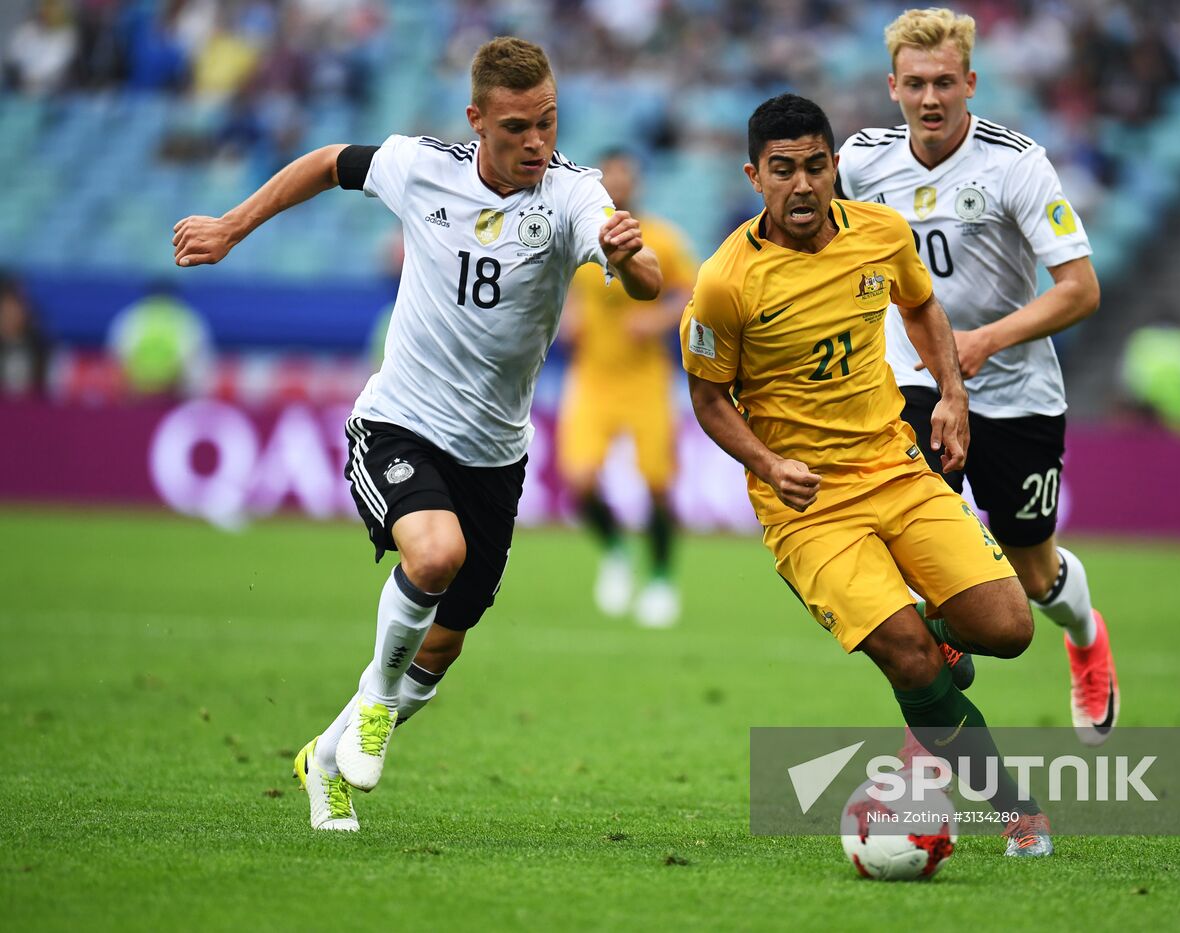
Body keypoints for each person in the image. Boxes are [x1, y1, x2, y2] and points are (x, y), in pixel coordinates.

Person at [172, 36, 661, 833]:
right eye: (515, 128)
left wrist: (626, 257)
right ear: (477, 121)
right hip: (398, 420)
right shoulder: (420, 166)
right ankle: (372, 702)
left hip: (496, 452)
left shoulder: (575, 194)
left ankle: (324, 757)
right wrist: (232, 226)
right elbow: (330, 160)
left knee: (440, 650)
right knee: (434, 555)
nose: (536, 142)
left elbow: (644, 283)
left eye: (547, 122)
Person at [682, 93, 1052, 856]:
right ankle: (1015, 811)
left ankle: (938, 642)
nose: (803, 185)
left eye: (816, 166)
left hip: (897, 467)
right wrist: (767, 461)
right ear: (756, 176)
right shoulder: (726, 281)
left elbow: (922, 308)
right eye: (783, 170)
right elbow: (709, 398)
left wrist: (952, 395)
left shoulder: (880, 232)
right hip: (811, 509)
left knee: (1008, 627)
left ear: (833, 166)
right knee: (908, 655)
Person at [835, 8, 1118, 746]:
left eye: (945, 84)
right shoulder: (861, 161)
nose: (931, 99)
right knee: (921, 539)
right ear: (892, 86)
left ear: (971, 83)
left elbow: (1080, 288)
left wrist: (987, 339)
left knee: (1031, 571)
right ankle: (935, 687)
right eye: (916, 84)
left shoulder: (1015, 162)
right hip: (911, 379)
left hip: (1014, 387)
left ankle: (1086, 637)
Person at [557, 149, 697, 628]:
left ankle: (660, 578)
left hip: (645, 379)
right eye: (610, 176)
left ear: (636, 183)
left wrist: (658, 318)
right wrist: (567, 317)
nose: (618, 184)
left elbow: (694, 293)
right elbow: (559, 293)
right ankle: (616, 551)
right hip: (593, 377)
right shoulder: (576, 235)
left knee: (657, 484)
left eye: (625, 175)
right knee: (579, 480)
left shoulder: (660, 239)